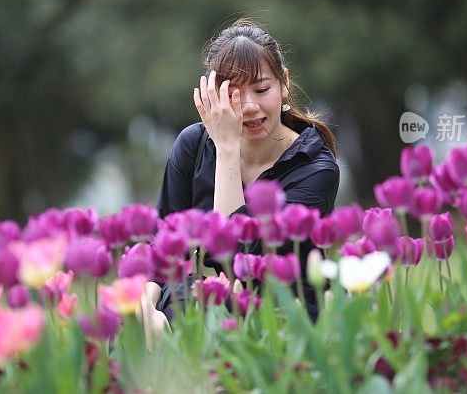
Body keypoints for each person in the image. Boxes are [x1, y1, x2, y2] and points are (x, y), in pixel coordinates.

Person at [141, 18, 340, 329]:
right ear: (213, 94)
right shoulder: (192, 145)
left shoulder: (315, 167)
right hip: (198, 305)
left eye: (262, 89)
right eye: (233, 93)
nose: (249, 106)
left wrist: (227, 148)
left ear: (284, 83)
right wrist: (147, 306)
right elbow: (162, 241)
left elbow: (234, 258)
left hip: (282, 316)